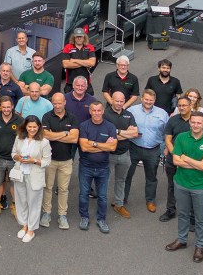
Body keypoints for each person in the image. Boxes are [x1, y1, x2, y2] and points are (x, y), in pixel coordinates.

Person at [166, 112, 203, 263]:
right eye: (193, 122)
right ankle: (182, 240)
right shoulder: (181, 138)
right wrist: (198, 163)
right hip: (181, 184)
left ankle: (199, 246)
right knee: (182, 214)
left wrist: (186, 158)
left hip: (200, 187)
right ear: (190, 123)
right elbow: (176, 161)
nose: (195, 125)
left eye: (198, 123)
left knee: (200, 219)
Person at [124, 90, 170, 213]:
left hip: (153, 149)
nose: (148, 102)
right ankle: (122, 199)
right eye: (146, 99)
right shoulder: (132, 111)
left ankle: (150, 200)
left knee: (151, 177)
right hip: (133, 146)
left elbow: (167, 133)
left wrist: (165, 148)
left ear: (154, 100)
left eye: (151, 100)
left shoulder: (162, 113)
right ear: (142, 99)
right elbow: (124, 125)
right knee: (127, 174)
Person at [77, 101, 118, 233]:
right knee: (83, 194)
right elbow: (83, 147)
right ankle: (84, 217)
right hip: (86, 167)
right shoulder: (83, 126)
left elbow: (112, 147)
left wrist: (93, 144)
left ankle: (101, 219)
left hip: (103, 168)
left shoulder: (110, 127)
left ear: (103, 111)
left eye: (99, 110)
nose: (96, 113)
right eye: (93, 110)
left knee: (102, 196)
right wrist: (102, 145)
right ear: (90, 111)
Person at [10, 116, 52, 243]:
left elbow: (47, 161)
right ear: (25, 127)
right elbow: (13, 154)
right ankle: (24, 225)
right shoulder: (19, 138)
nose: (32, 129)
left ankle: (31, 230)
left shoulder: (44, 142)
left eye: (34, 127)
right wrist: (18, 157)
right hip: (20, 174)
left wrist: (33, 160)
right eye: (29, 126)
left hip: (35, 176)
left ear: (39, 127)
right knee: (21, 201)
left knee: (33, 202)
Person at [41, 93, 79, 230]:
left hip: (66, 160)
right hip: (49, 160)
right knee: (47, 188)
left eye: (59, 103)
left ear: (64, 102)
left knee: (63, 189)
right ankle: (46, 213)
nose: (57, 106)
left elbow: (74, 139)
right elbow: (45, 135)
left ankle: (62, 215)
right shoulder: (47, 117)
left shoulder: (72, 117)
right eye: (55, 103)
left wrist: (54, 135)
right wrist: (65, 133)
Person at [104, 92, 140, 219]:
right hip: (108, 154)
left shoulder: (128, 114)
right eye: (117, 101)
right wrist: (126, 133)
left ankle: (118, 204)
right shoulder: (105, 115)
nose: (119, 104)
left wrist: (117, 132)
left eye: (121, 101)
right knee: (104, 180)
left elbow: (135, 133)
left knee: (121, 180)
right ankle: (102, 205)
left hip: (125, 154)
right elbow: (106, 136)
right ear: (111, 100)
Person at [0, 96, 23, 219]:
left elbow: (24, 139)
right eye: (4, 107)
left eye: (8, 107)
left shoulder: (20, 120)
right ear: (0, 107)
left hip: (14, 159)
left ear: (12, 106)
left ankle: (15, 207)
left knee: (14, 183)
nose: (6, 109)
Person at [160, 96, 194, 223]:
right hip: (173, 160)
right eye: (179, 105)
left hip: (190, 161)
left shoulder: (196, 121)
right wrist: (175, 155)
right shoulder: (173, 120)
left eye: (184, 105)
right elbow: (168, 140)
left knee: (191, 188)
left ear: (190, 106)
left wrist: (187, 159)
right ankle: (170, 210)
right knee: (171, 186)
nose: (182, 107)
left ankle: (191, 215)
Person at [62, 27, 96, 95]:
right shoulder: (68, 47)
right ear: (74, 37)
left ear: (84, 37)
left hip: (86, 83)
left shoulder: (90, 47)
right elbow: (65, 64)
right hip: (70, 83)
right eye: (77, 37)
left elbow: (92, 63)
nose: (79, 38)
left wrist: (74, 60)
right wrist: (85, 63)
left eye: (81, 36)